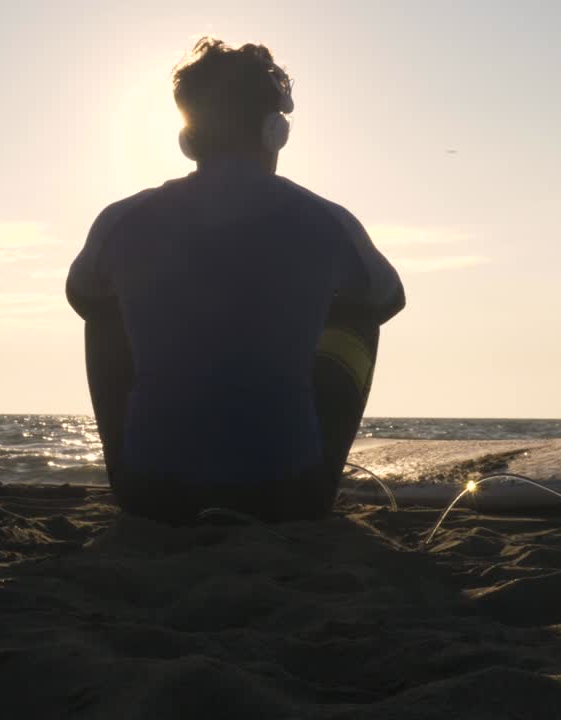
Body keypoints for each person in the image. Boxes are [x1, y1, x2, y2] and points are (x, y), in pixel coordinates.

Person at [67, 37, 404, 524]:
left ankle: (129, 458)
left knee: (103, 312)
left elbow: (82, 295)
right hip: (290, 495)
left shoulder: (122, 218)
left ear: (187, 136)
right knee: (359, 313)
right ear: (276, 130)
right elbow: (388, 299)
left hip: (150, 495)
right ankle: (316, 461)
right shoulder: (326, 220)